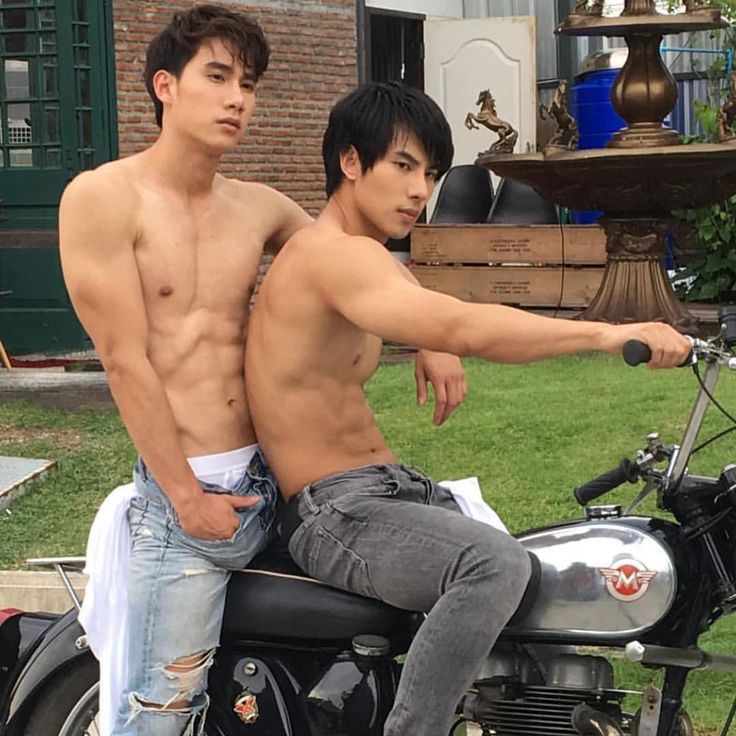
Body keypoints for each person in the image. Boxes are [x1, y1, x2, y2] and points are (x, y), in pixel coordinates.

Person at [60, 9, 465, 734]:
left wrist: (432, 331)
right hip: (185, 503)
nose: (237, 99)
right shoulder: (104, 198)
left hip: (271, 485)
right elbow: (125, 361)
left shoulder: (258, 207)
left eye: (248, 84)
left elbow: (349, 260)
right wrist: (187, 499)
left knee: (314, 678)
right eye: (217, 77)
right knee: (163, 711)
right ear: (165, 86)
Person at [244, 81, 693, 736]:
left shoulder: (359, 255)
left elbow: (411, 299)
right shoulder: (330, 255)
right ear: (350, 161)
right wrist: (605, 333)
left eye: (430, 174)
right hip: (335, 512)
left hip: (384, 491)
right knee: (493, 564)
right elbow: (462, 323)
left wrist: (430, 339)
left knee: (556, 572)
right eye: (403, 166)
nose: (418, 190)